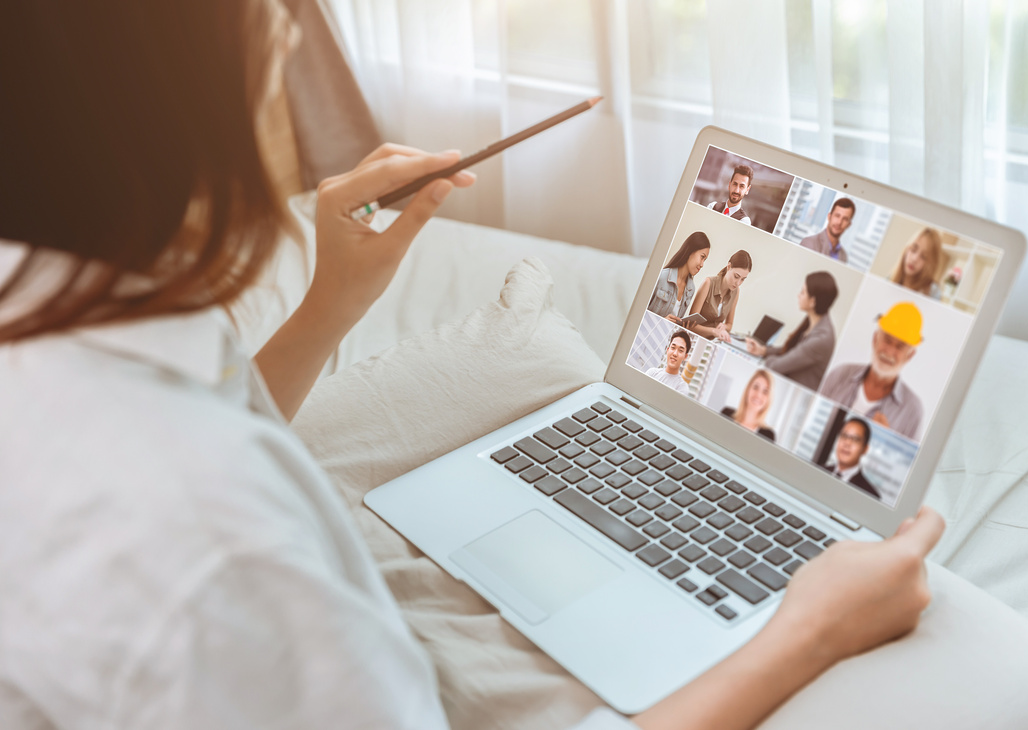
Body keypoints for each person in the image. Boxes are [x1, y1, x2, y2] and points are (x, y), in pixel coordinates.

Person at [0, 4, 945, 729]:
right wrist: (809, 629)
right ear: (171, 101)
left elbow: (202, 412)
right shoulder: (219, 545)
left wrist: (333, 302)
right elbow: (198, 475)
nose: (287, 31)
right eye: (263, 16)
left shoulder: (59, 314)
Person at [819, 303, 926, 441]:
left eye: (900, 347)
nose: (889, 352)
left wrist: (882, 441)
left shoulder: (913, 411)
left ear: (909, 356)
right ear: (875, 339)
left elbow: (907, 456)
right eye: (887, 340)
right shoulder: (839, 375)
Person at [746, 271, 838, 391]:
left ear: (813, 301)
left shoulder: (821, 339)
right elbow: (794, 350)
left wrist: (769, 359)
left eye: (803, 292)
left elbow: (776, 366)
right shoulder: (815, 321)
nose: (798, 295)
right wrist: (763, 350)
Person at [686, 249, 752, 341]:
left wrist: (724, 327)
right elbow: (690, 324)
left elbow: (729, 325)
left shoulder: (736, 292)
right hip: (693, 339)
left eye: (743, 279)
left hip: (714, 341)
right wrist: (713, 331)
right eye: (736, 276)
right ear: (729, 266)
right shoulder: (708, 283)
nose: (738, 283)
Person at [648, 231, 710, 323]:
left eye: (704, 260)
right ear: (690, 251)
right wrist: (661, 321)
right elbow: (638, 311)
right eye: (702, 257)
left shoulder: (691, 289)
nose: (702, 264)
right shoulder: (661, 277)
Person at [822, 417, 881, 499]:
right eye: (844, 436)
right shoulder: (820, 470)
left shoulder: (870, 495)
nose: (847, 443)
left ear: (865, 449)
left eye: (855, 439)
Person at [720, 369, 777, 441]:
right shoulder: (726, 414)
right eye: (755, 387)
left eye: (765, 391)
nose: (758, 395)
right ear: (748, 389)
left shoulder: (768, 436)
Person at [891, 227, 944, 299]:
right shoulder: (890, 279)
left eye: (923, 257)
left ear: (930, 264)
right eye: (913, 249)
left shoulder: (933, 292)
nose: (914, 259)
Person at [799, 198, 855, 263]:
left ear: (849, 224)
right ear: (829, 217)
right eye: (837, 216)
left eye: (845, 219)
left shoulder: (843, 256)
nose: (839, 222)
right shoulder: (809, 243)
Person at [645, 330, 693, 395]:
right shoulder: (652, 373)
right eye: (673, 348)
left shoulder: (682, 388)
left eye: (680, 350)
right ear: (667, 350)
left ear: (685, 356)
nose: (675, 354)